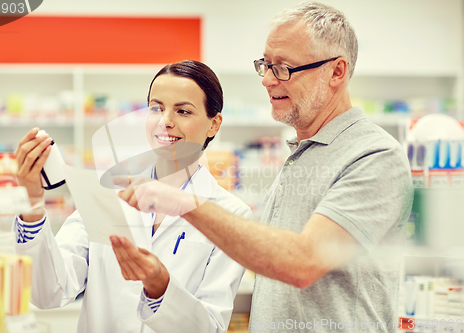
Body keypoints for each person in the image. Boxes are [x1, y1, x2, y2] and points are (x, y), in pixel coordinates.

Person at [117, 2, 414, 332]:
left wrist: (186, 204)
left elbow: (303, 262)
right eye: (266, 65)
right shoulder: (299, 156)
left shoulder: (374, 156)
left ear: (336, 72)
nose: (268, 81)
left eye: (284, 67)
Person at [13, 60, 252, 333]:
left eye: (183, 111)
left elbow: (210, 327)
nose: (166, 121)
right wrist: (31, 205)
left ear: (214, 124)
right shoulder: (107, 194)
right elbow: (48, 292)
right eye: (156, 108)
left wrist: (160, 286)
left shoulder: (232, 214)